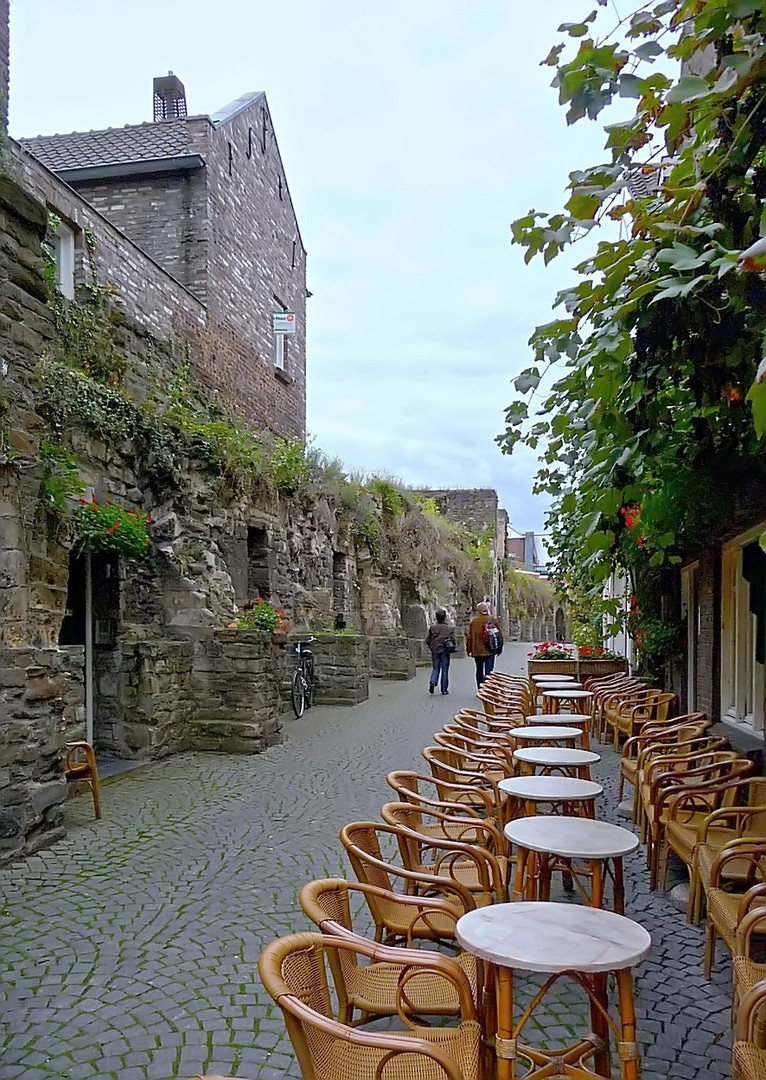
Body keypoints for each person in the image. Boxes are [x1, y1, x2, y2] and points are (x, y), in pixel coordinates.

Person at [466, 601, 503, 688]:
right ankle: (488, 688)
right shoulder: (493, 619)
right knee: (489, 670)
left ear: (478, 611)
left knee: (479, 669)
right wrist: (499, 647)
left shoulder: (474, 621)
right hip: (490, 648)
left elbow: (469, 637)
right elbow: (499, 634)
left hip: (477, 650)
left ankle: (480, 688)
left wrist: (469, 649)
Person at [425, 608, 455, 695]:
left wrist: (432, 647)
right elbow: (453, 640)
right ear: (445, 617)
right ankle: (444, 689)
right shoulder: (450, 628)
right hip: (445, 650)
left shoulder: (433, 628)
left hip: (435, 650)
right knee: (445, 669)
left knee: (436, 668)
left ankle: (433, 681)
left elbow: (427, 640)